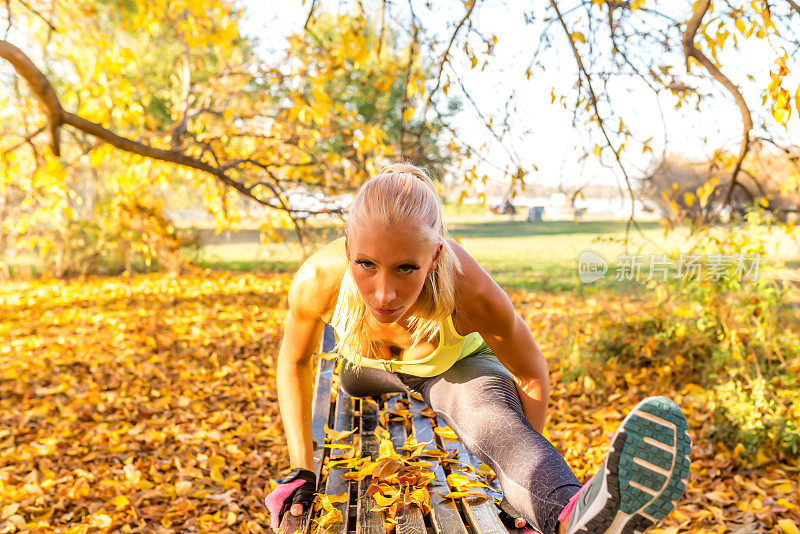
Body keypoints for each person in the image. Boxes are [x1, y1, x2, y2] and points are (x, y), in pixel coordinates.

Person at [265, 163, 691, 534]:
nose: (383, 294)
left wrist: (525, 489)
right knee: (353, 382)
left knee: (489, 417)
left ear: (434, 257)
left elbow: (531, 372)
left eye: (406, 268)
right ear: (346, 249)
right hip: (362, 371)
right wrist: (300, 468)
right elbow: (295, 360)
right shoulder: (317, 280)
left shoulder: (471, 292)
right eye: (366, 265)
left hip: (452, 368)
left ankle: (575, 516)